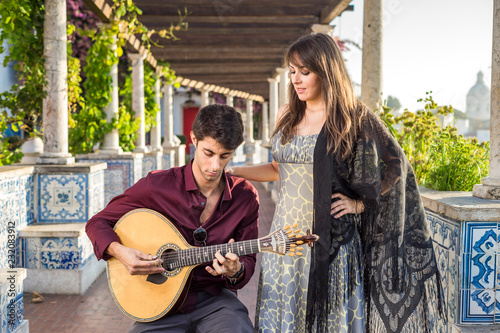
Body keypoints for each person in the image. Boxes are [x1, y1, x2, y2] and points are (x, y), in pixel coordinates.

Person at [227, 33, 445, 332]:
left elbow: (397, 164)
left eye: (305, 71)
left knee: (329, 321)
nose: (296, 80)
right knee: (284, 313)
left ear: (326, 70)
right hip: (283, 237)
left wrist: (358, 203)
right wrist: (234, 171)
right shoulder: (287, 114)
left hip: (331, 240)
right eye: (292, 71)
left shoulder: (351, 116)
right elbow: (280, 168)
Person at [86, 104, 259, 333]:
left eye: (224, 156)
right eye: (209, 153)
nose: (215, 166)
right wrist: (120, 252)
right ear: (194, 140)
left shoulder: (244, 197)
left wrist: (235, 270)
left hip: (216, 302)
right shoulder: (157, 186)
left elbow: (248, 261)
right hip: (159, 303)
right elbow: (97, 222)